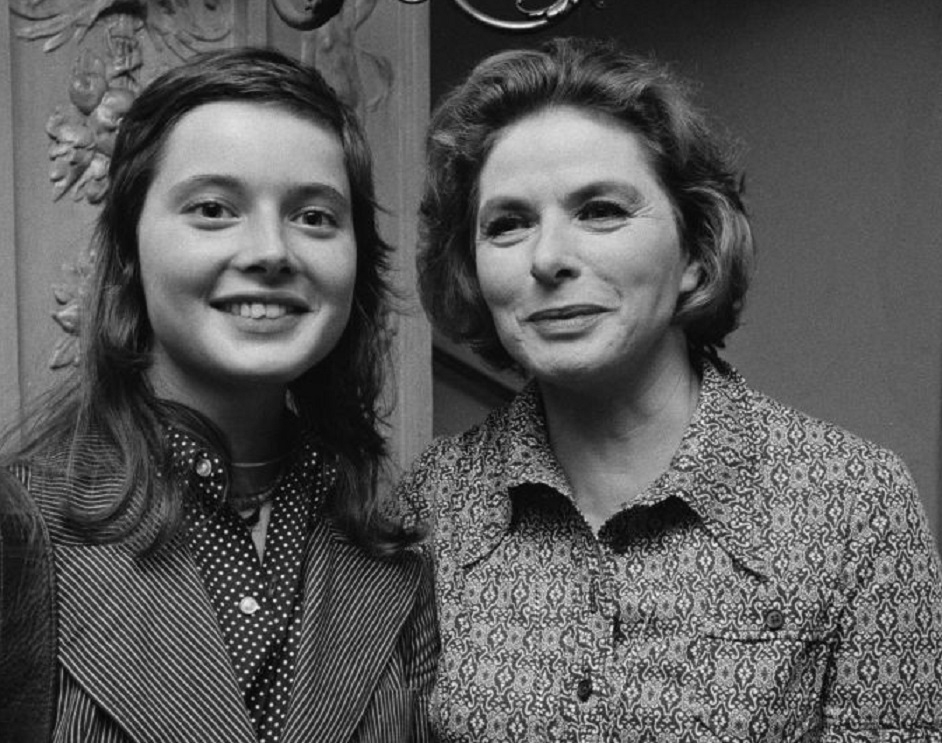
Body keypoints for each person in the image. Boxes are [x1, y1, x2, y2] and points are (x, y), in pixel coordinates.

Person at [398, 37, 942, 741]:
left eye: (600, 210)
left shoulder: (853, 505)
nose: (550, 258)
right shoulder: (432, 504)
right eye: (508, 223)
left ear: (695, 249)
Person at [0, 47, 438, 742]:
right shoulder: (20, 532)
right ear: (126, 252)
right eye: (212, 208)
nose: (272, 251)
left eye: (316, 216)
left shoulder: (396, 553)